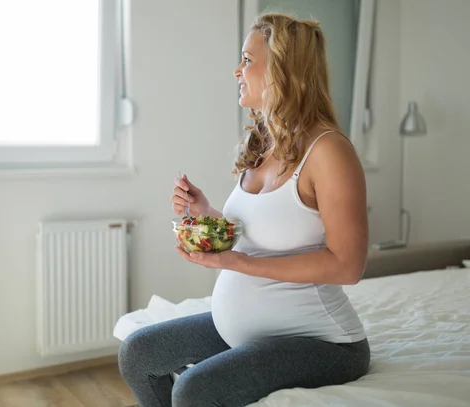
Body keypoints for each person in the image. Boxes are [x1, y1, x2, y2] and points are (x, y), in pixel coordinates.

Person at [118, 13, 370, 407]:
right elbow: (263, 232)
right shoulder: (266, 144)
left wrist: (237, 263)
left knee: (193, 390)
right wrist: (208, 214)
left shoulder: (329, 152)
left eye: (248, 60)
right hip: (248, 331)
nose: (237, 70)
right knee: (139, 354)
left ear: (284, 70)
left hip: (321, 341)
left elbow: (347, 266)